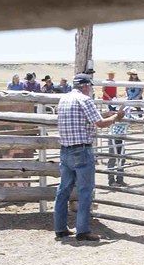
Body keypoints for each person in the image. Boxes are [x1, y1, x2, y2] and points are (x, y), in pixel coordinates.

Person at [53, 73, 126, 242]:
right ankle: (83, 230)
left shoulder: (64, 99)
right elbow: (99, 123)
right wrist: (116, 117)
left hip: (65, 150)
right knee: (85, 191)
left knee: (63, 190)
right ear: (86, 86)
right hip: (82, 150)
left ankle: (60, 228)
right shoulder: (85, 100)